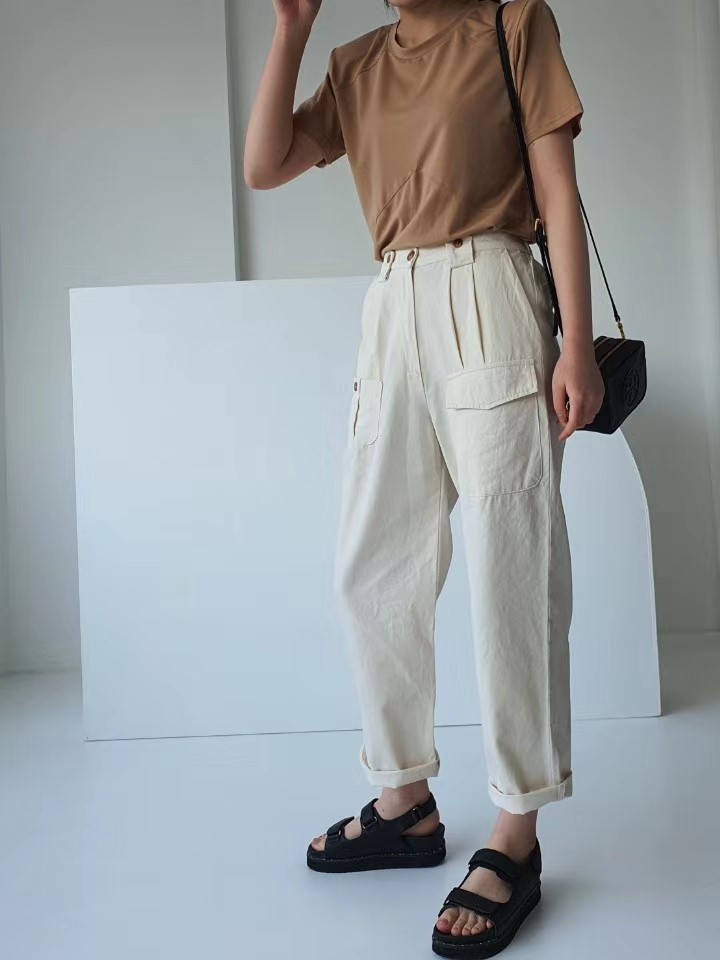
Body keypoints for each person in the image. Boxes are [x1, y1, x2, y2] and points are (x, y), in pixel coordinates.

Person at [244, 1, 604, 955]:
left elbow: (558, 188)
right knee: (372, 569)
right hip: (391, 309)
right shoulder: (357, 64)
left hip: (491, 289)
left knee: (511, 569)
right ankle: (404, 801)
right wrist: (289, 31)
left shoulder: (510, 23)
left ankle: (517, 831)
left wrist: (576, 343)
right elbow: (264, 166)